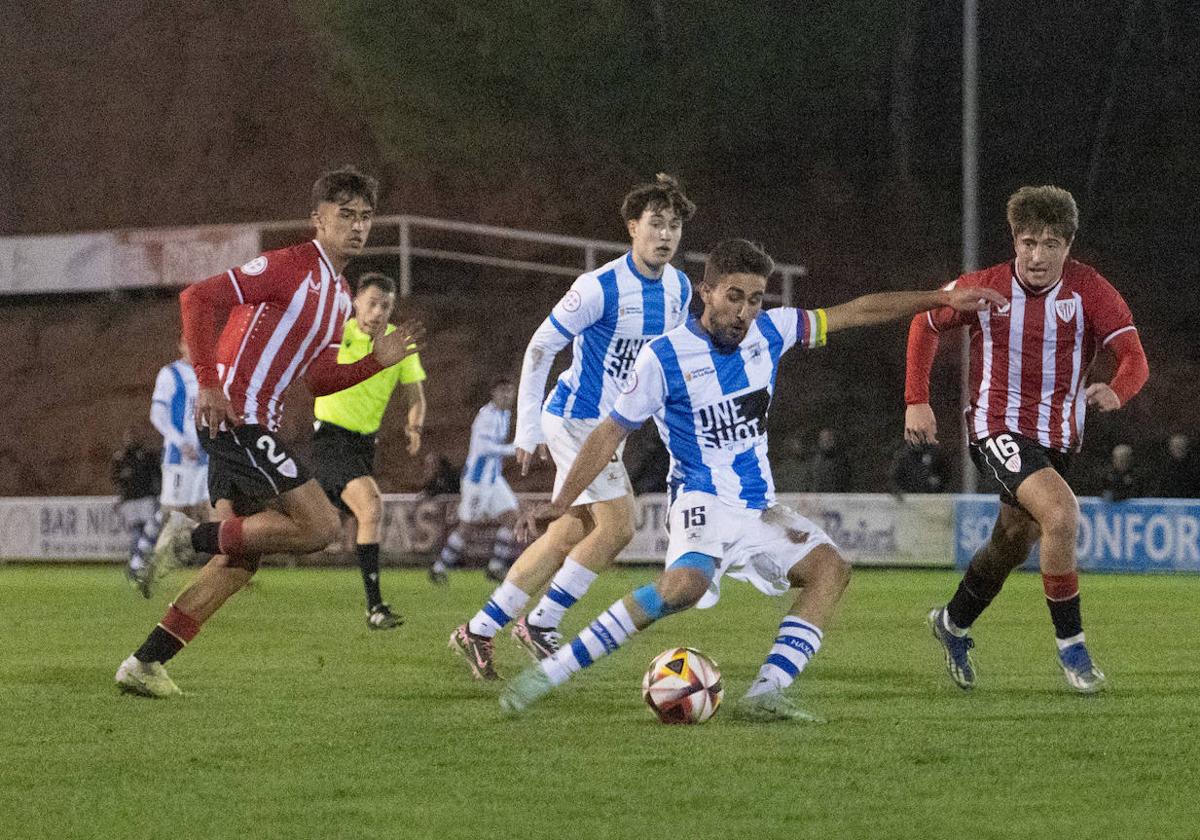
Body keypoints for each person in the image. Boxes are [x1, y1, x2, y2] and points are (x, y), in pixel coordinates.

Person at [499, 238, 1005, 719]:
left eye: (755, 299)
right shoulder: (664, 356)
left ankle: (768, 693)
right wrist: (561, 501)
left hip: (758, 505)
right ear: (707, 293)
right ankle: (552, 671)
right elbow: (609, 433)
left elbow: (858, 311)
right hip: (700, 499)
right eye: (734, 297)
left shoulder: (772, 330)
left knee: (830, 571)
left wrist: (943, 299)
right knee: (686, 585)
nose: (744, 311)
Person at [115, 166, 422, 697]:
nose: (356, 226)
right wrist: (209, 383)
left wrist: (374, 361)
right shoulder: (289, 266)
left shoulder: (337, 292)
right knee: (323, 527)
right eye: (344, 214)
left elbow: (320, 376)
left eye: (365, 217)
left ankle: (145, 663)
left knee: (237, 563)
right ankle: (185, 538)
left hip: (256, 421)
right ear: (317, 220)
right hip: (236, 416)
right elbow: (196, 298)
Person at [449, 174, 696, 679]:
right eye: (655, 224)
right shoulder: (598, 287)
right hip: (572, 419)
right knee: (620, 524)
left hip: (610, 429)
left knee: (571, 530)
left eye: (674, 226)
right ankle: (542, 622)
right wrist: (526, 429)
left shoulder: (679, 288)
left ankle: (480, 628)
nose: (665, 235)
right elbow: (540, 348)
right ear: (632, 228)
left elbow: (667, 363)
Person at [906, 185, 1149, 694]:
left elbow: (1135, 358)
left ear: (1069, 245)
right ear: (1015, 241)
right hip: (997, 427)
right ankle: (1073, 649)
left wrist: (1118, 390)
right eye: (1028, 243)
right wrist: (917, 399)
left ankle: (951, 623)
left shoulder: (1091, 291)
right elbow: (925, 322)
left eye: (1051, 244)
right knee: (1061, 513)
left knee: (1012, 542)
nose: (1038, 256)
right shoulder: (984, 286)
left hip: (1056, 438)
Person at [311, 271, 427, 630]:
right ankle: (375, 607)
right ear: (356, 302)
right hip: (330, 440)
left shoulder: (398, 344)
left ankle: (217, 538)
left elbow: (415, 395)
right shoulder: (336, 335)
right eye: (372, 303)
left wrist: (414, 425)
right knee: (371, 506)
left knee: (314, 530)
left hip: (363, 446)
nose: (378, 312)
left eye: (386, 306)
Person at [128, 340, 213, 597]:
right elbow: (158, 414)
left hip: (207, 458)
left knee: (209, 511)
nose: (196, 347)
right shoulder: (171, 374)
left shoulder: (209, 374)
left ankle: (224, 568)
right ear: (181, 346)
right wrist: (180, 441)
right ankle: (140, 566)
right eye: (190, 342)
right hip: (180, 458)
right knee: (172, 514)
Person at [430, 377, 519, 584]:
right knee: (468, 526)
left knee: (512, 517)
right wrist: (513, 449)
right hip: (477, 480)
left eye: (510, 391)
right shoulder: (486, 417)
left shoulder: (505, 414)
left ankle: (496, 567)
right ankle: (439, 567)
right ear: (493, 393)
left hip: (494, 478)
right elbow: (483, 449)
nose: (507, 395)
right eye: (502, 391)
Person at [112, 428, 160, 584]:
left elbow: (157, 474)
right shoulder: (120, 457)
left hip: (146, 498)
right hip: (130, 500)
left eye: (133, 436)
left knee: (147, 531)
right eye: (128, 437)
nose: (130, 440)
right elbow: (114, 478)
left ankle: (141, 564)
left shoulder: (146, 456)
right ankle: (136, 564)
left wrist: (157, 492)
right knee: (136, 531)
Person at [1157, 433, 1199, 498]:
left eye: (1180, 447)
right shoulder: (1165, 469)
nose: (1178, 449)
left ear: (1186, 448)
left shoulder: (1194, 468)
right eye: (1175, 447)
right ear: (1170, 448)